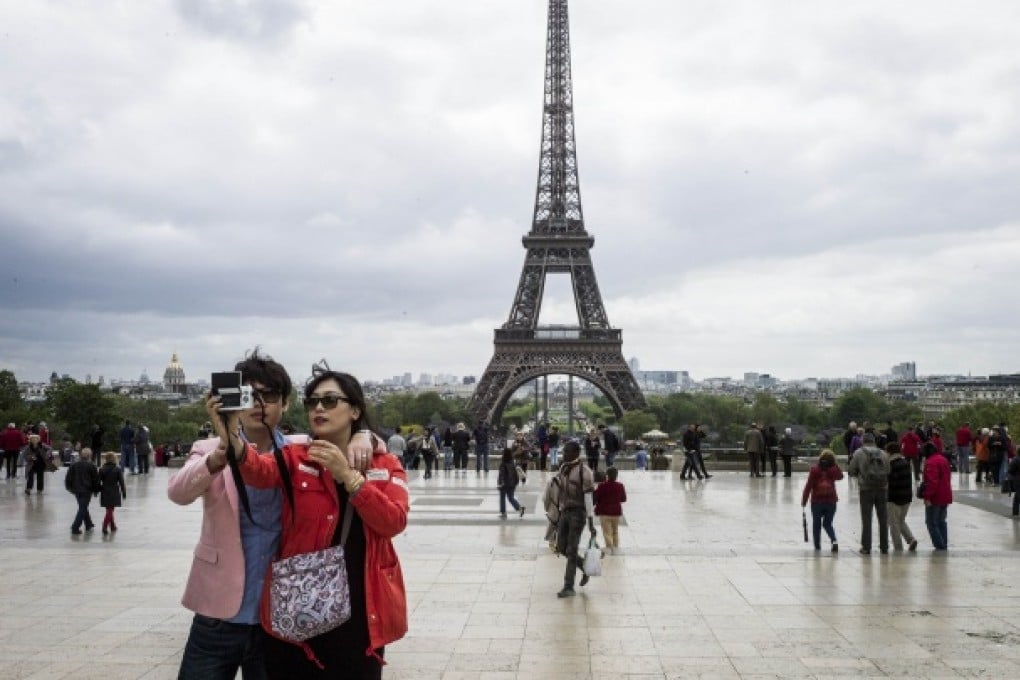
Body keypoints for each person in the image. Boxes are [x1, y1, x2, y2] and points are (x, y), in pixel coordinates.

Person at [169, 349, 378, 680]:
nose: (259, 404)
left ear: (285, 403)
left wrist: (365, 435)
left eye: (269, 395)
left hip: (278, 611)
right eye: (249, 395)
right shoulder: (210, 448)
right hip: (218, 611)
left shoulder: (301, 449)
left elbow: (348, 430)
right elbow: (177, 493)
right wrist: (221, 454)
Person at [223, 363, 408, 678]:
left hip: (361, 612)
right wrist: (227, 429)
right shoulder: (295, 457)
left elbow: (393, 521)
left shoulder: (385, 464)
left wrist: (348, 477)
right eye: (312, 402)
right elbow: (255, 469)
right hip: (300, 606)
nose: (319, 408)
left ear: (354, 411)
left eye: (330, 400)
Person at [551, 440, 595, 598]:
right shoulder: (563, 468)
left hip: (578, 513)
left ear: (576, 453)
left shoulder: (585, 472)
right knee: (561, 547)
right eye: (564, 451)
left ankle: (569, 586)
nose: (564, 454)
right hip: (565, 512)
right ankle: (583, 566)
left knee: (572, 549)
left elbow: (589, 497)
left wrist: (590, 520)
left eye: (567, 451)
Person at [848, 432, 890, 555]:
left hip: (866, 489)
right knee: (883, 519)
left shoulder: (858, 453)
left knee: (866, 519)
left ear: (863, 441)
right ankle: (884, 546)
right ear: (874, 441)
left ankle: (866, 547)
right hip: (882, 489)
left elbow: (851, 470)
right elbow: (888, 470)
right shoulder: (883, 453)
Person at [801, 449, 843, 552]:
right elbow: (841, 476)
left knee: (816, 525)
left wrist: (804, 500)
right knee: (827, 524)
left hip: (817, 502)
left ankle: (817, 546)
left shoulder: (814, 470)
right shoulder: (833, 470)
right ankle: (834, 541)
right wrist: (835, 465)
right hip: (831, 501)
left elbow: (808, 486)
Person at [885, 442, 918, 551]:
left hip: (894, 498)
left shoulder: (891, 464)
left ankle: (898, 547)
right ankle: (910, 538)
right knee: (901, 520)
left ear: (890, 452)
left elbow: (892, 482)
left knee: (894, 523)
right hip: (907, 496)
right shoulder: (905, 462)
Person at [920, 440, 952, 550]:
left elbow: (932, 481)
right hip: (946, 495)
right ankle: (944, 543)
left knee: (931, 522)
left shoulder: (931, 462)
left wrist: (927, 496)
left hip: (935, 497)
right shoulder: (943, 459)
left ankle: (940, 545)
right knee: (941, 521)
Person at [65, 447, 100, 534]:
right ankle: (75, 527)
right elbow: (95, 480)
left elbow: (68, 478)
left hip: (76, 490)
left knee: (83, 507)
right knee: (83, 508)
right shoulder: (92, 466)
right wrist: (96, 491)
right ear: (89, 456)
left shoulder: (74, 465)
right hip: (87, 490)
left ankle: (88, 524)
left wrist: (69, 488)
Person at [593, 466, 626, 554]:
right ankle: (615, 547)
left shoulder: (602, 486)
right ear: (616, 476)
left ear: (607, 475)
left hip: (604, 512)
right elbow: (623, 499)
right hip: (616, 512)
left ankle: (610, 548)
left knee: (607, 532)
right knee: (615, 531)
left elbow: (595, 498)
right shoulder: (620, 486)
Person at [99, 451, 126, 534]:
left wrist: (97, 490)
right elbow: (121, 482)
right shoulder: (117, 469)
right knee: (110, 510)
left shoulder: (102, 469)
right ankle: (104, 526)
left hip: (105, 490)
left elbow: (97, 481)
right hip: (114, 490)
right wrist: (124, 492)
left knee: (109, 509)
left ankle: (113, 526)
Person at [496, 448, 524, 519]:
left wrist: (500, 483)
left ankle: (503, 512)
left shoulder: (503, 464)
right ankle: (519, 508)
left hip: (504, 484)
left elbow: (501, 475)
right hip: (512, 484)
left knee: (502, 497)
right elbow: (515, 474)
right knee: (511, 498)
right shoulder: (512, 463)